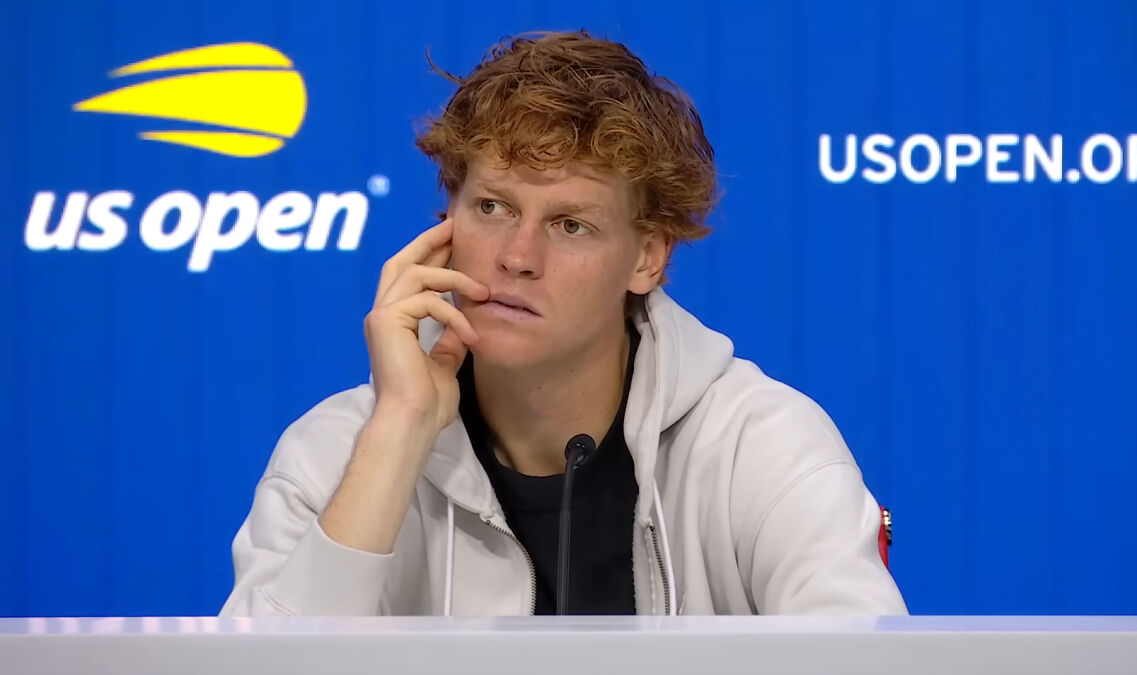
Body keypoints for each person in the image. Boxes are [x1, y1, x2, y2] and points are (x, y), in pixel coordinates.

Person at [220, 30, 906, 616]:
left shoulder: (761, 446)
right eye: (492, 207)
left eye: (570, 224)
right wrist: (398, 430)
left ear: (647, 256)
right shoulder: (334, 454)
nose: (518, 257)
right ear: (444, 223)